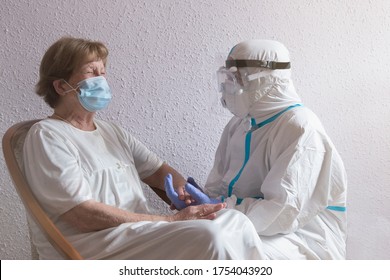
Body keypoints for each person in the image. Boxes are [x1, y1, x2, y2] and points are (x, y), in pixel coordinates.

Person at [22, 36, 265, 260]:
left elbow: (160, 171)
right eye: (91, 72)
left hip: (135, 234)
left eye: (103, 73)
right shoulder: (47, 135)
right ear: (61, 87)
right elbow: (80, 215)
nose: (102, 80)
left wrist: (185, 194)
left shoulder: (111, 132)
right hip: (92, 243)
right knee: (208, 236)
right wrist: (169, 221)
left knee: (234, 220)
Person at [167, 39, 348, 259]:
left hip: (301, 240)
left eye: (236, 78)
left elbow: (281, 212)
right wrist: (200, 203)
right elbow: (218, 189)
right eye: (226, 78)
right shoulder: (238, 125)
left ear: (267, 80)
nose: (227, 88)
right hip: (246, 226)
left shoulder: (300, 128)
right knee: (182, 235)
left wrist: (219, 208)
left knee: (220, 248)